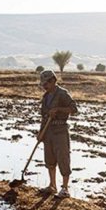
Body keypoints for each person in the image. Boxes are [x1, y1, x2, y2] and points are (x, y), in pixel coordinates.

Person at [37, 69, 78, 198]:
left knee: (63, 159)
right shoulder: (45, 97)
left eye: (46, 84)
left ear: (53, 81)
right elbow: (44, 116)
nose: (44, 86)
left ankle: (65, 189)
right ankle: (52, 185)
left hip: (60, 131)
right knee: (49, 160)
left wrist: (58, 109)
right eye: (43, 84)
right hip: (48, 131)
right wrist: (41, 133)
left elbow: (74, 109)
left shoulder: (62, 94)